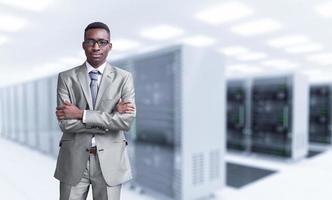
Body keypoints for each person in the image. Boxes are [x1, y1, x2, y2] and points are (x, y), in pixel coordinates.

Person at [54, 22, 136, 200]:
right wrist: (110, 119)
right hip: (73, 160)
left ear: (110, 46)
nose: (96, 47)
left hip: (110, 163)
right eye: (90, 42)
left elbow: (126, 122)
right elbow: (65, 124)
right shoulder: (66, 78)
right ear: (83, 45)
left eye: (102, 42)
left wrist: (80, 114)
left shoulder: (124, 78)